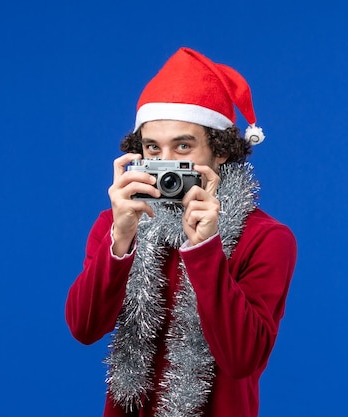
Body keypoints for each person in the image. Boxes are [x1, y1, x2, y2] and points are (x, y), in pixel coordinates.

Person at [65, 47, 297, 417]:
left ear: (220, 151)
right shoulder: (115, 224)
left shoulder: (266, 237)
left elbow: (242, 359)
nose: (166, 164)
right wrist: (120, 240)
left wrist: (205, 248)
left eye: (183, 146)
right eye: (153, 148)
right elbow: (84, 328)